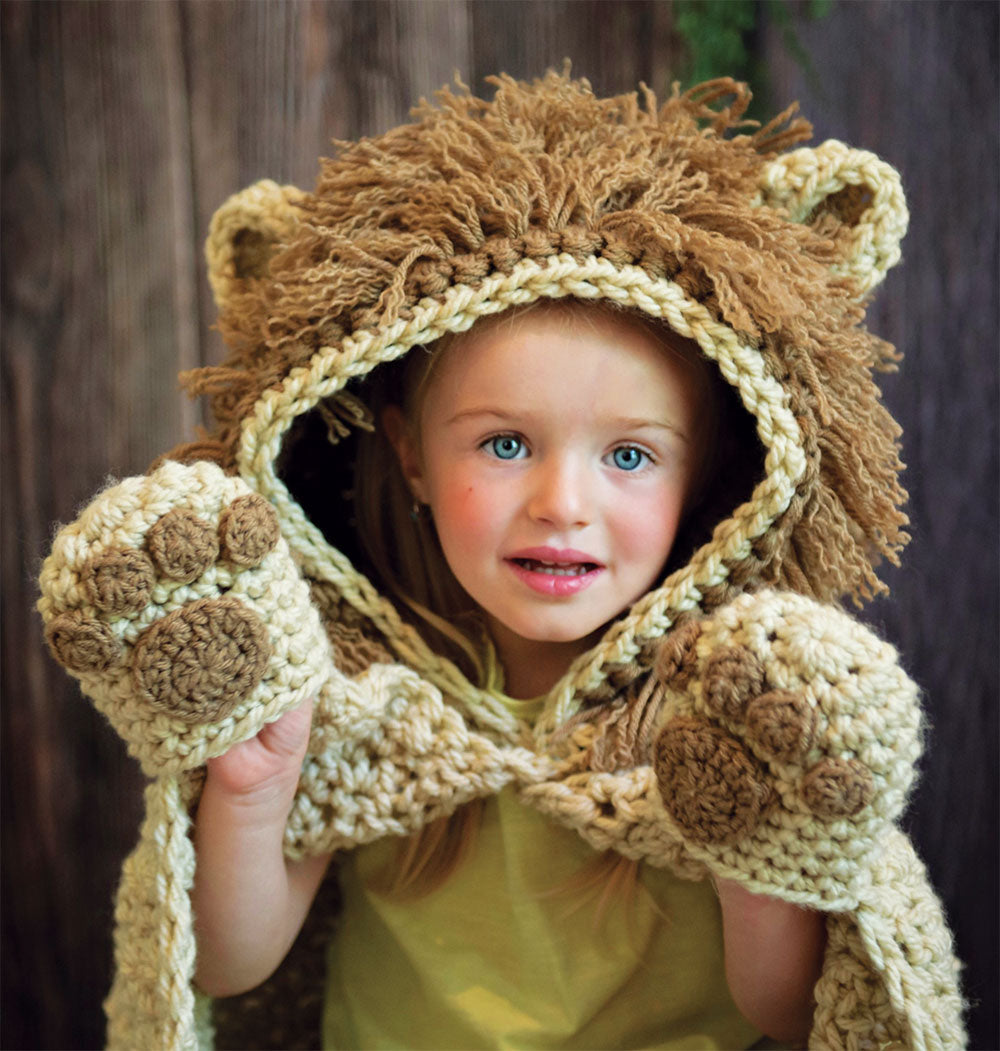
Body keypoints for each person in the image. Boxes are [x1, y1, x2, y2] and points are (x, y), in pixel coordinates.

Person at [38, 71, 965, 1050]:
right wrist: (252, 785)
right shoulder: (360, 696)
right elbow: (228, 963)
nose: (562, 504)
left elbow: (791, 1012)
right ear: (411, 457)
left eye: (629, 456)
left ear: (706, 479)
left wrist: (758, 853)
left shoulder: (733, 714)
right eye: (506, 443)